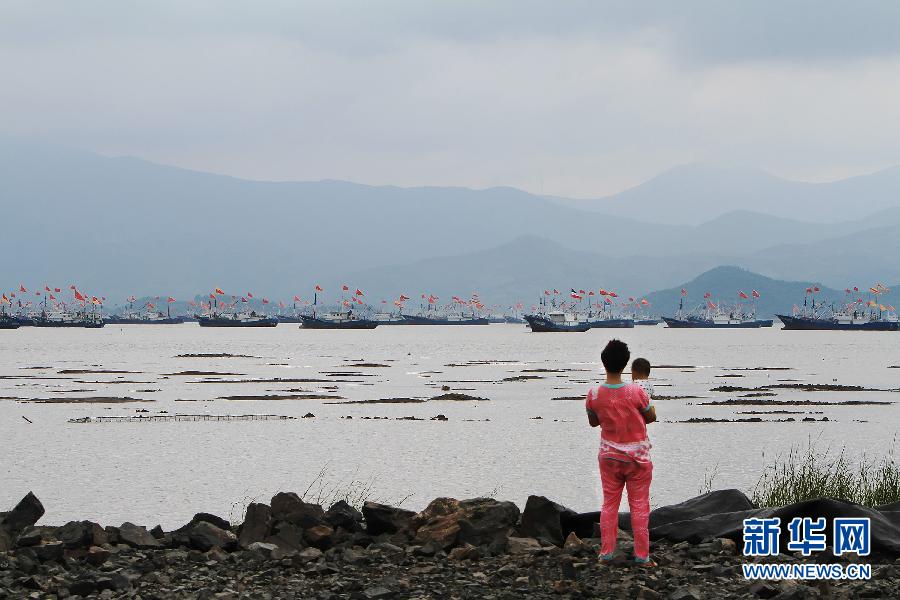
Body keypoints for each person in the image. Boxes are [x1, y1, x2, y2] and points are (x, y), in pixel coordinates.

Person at [585, 339, 657, 566]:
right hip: (637, 458)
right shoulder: (636, 391)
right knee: (639, 505)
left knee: (609, 504)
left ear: (604, 363)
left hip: (609, 457)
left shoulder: (594, 394)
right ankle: (642, 556)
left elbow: (593, 422)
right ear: (626, 364)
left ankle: (606, 554)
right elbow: (651, 416)